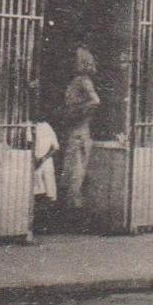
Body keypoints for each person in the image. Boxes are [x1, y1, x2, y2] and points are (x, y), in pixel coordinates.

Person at [60, 47, 101, 226]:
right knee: (71, 174)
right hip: (76, 132)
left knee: (75, 175)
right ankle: (72, 215)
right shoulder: (78, 81)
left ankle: (75, 218)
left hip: (79, 132)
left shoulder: (83, 81)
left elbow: (95, 101)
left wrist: (78, 113)